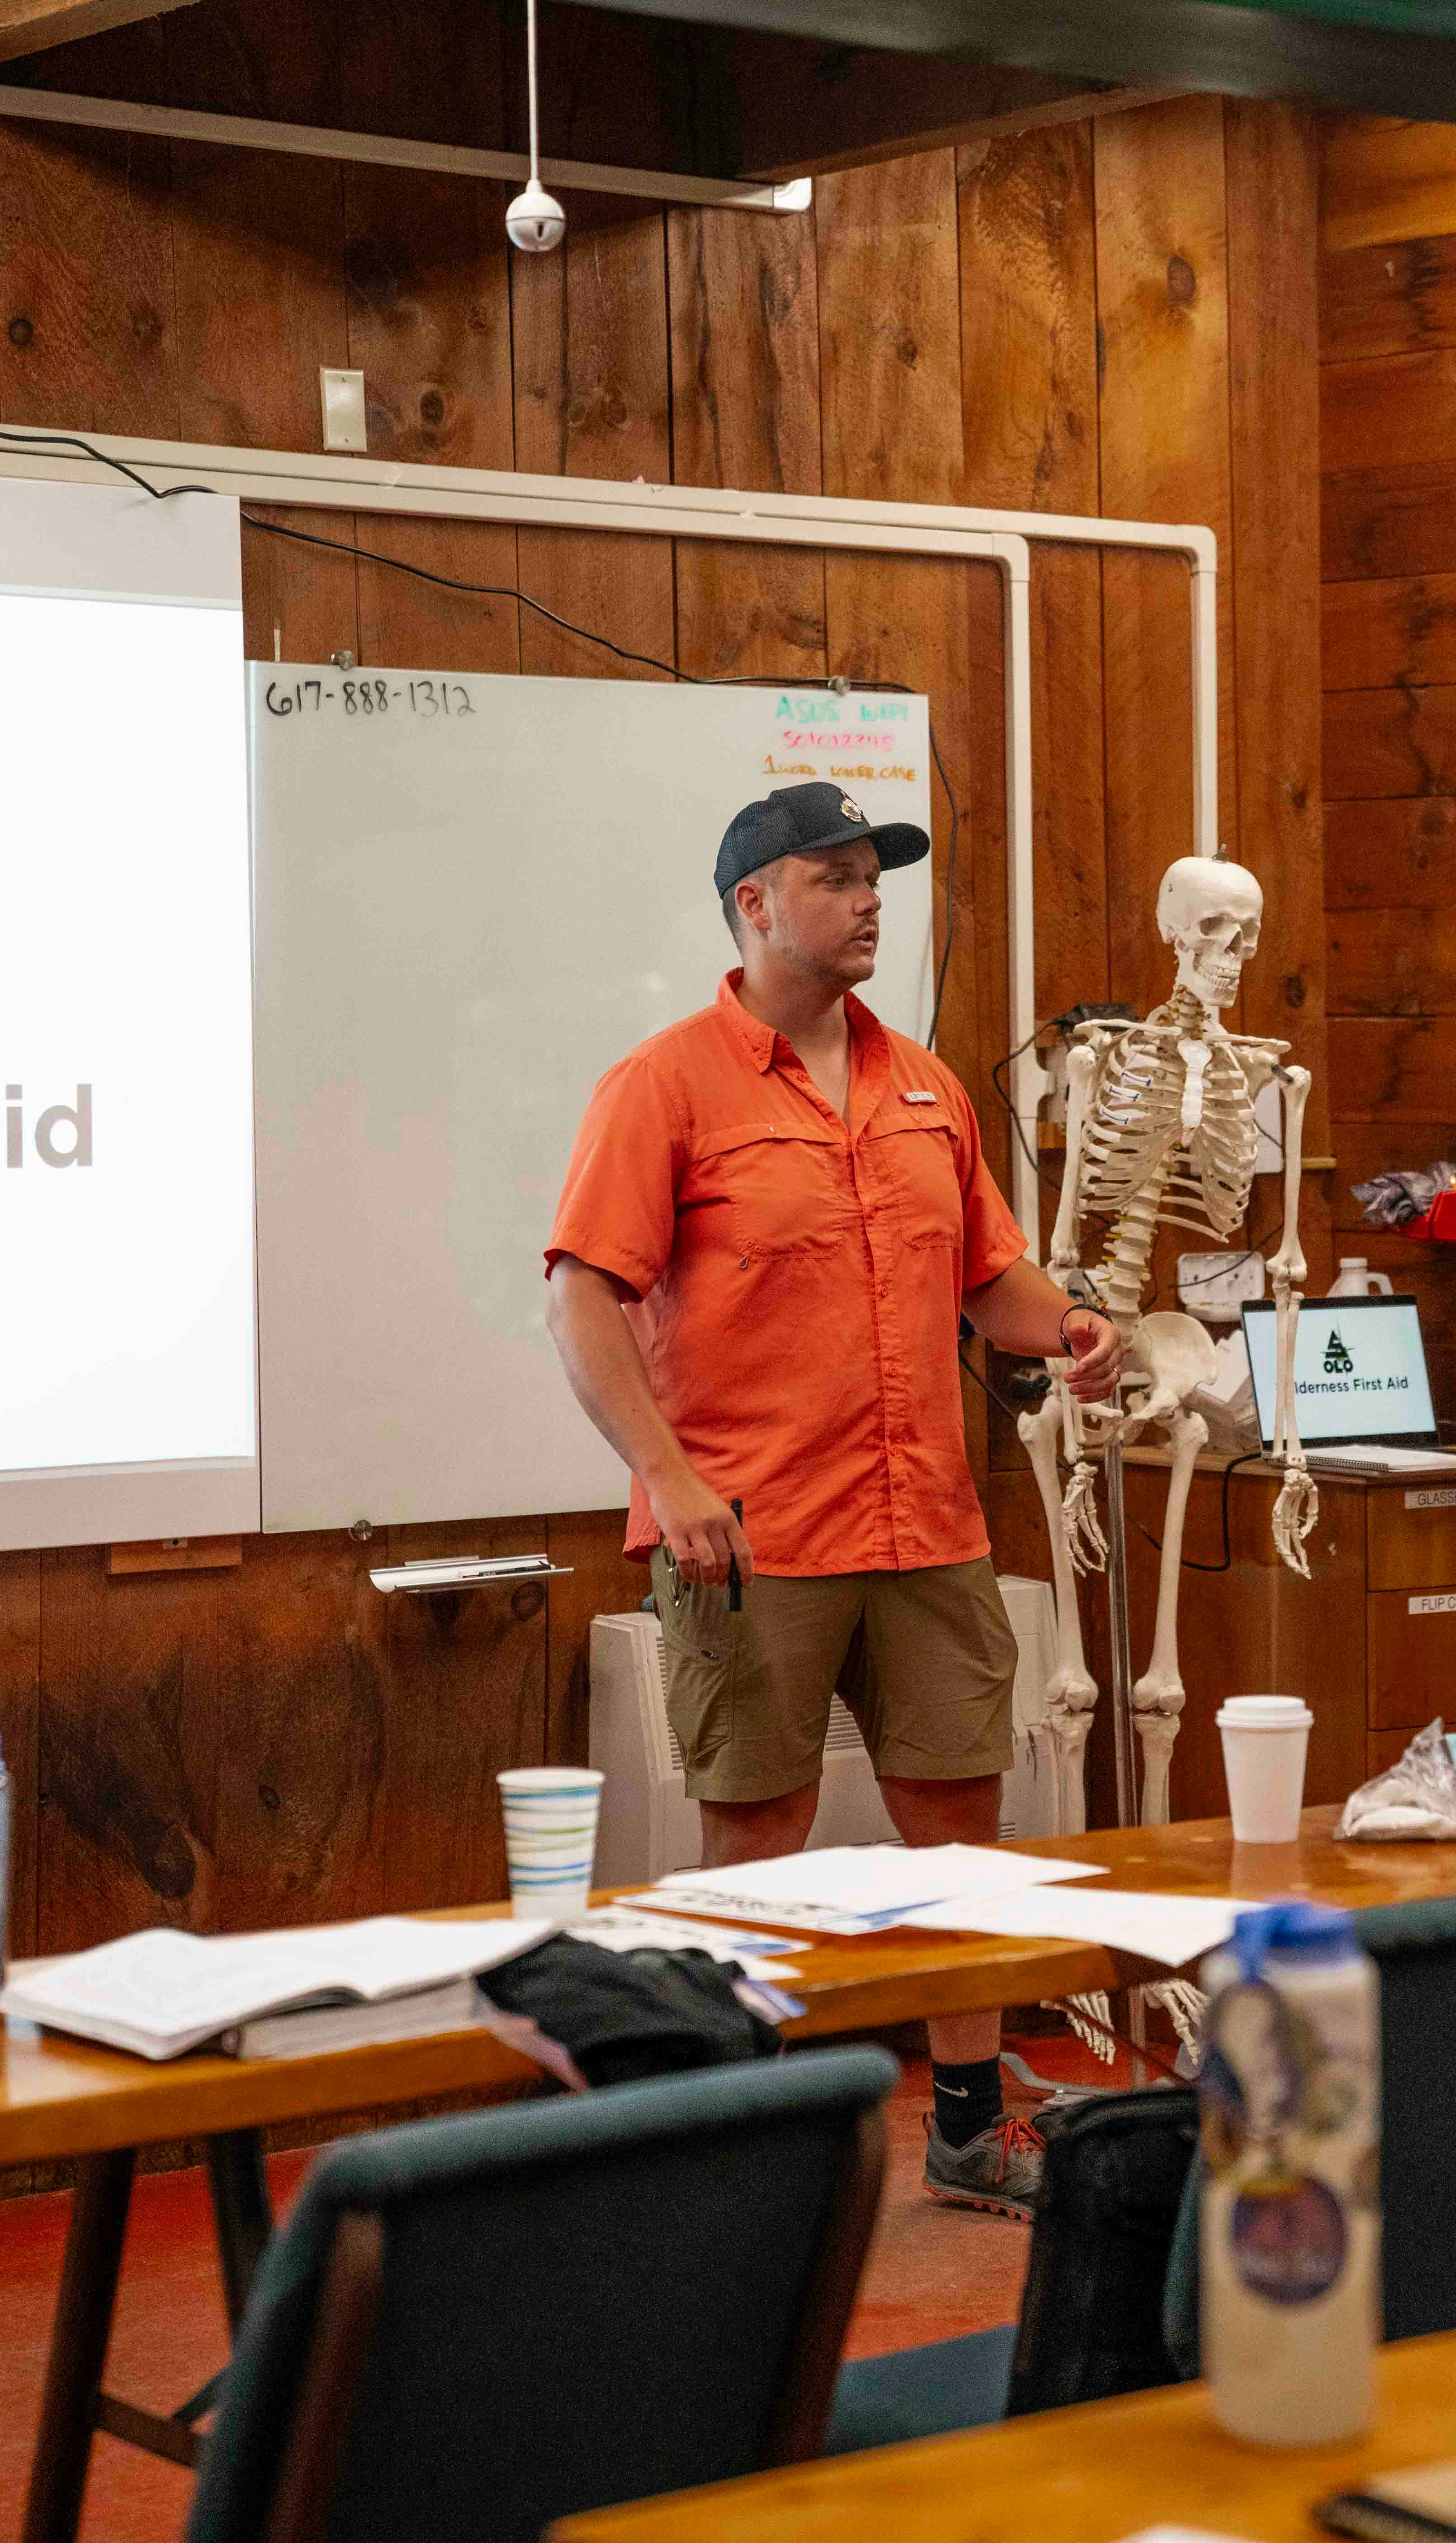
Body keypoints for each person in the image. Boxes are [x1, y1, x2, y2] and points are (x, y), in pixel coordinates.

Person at [545, 779, 1121, 2215]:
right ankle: (740, 2141)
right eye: (835, 877)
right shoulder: (664, 1084)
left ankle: (972, 2127)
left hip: (924, 1516)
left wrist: (1073, 1329)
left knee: (962, 1833)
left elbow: (986, 1281)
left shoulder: (928, 1085)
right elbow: (583, 1298)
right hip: (750, 1528)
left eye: (876, 878)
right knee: (758, 1832)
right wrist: (665, 1475)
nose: (870, 901)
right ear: (754, 904)